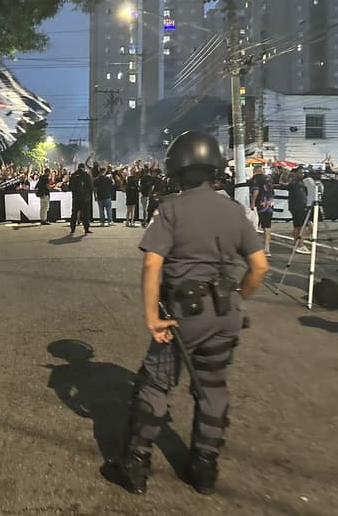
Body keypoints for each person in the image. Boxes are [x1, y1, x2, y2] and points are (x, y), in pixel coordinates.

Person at [111, 132, 268, 496]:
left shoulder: (171, 208)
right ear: (215, 168)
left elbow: (152, 264)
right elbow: (259, 267)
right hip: (225, 311)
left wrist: (152, 316)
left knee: (155, 384)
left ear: (176, 170)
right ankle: (204, 468)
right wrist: (238, 299)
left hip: (183, 314)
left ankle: (135, 466)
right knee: (212, 386)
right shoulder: (234, 210)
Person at [249, 165, 274, 257]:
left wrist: (252, 203)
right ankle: (267, 248)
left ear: (255, 171)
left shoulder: (256, 179)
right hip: (269, 205)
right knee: (267, 227)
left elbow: (256, 191)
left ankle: (252, 248)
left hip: (259, 205)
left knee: (253, 226)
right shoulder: (269, 179)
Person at [287, 167, 310, 254]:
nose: (302, 174)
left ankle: (296, 244)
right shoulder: (294, 183)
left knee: (298, 226)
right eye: (300, 173)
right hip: (297, 207)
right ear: (296, 173)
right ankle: (300, 244)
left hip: (300, 206)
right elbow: (298, 196)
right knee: (300, 227)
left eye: (303, 173)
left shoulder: (302, 183)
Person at [68, 163, 92, 235]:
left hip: (75, 197)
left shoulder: (73, 175)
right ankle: (86, 229)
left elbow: (70, 187)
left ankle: (72, 229)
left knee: (74, 213)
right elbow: (89, 186)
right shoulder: (86, 175)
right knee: (85, 214)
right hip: (84, 197)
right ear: (83, 168)